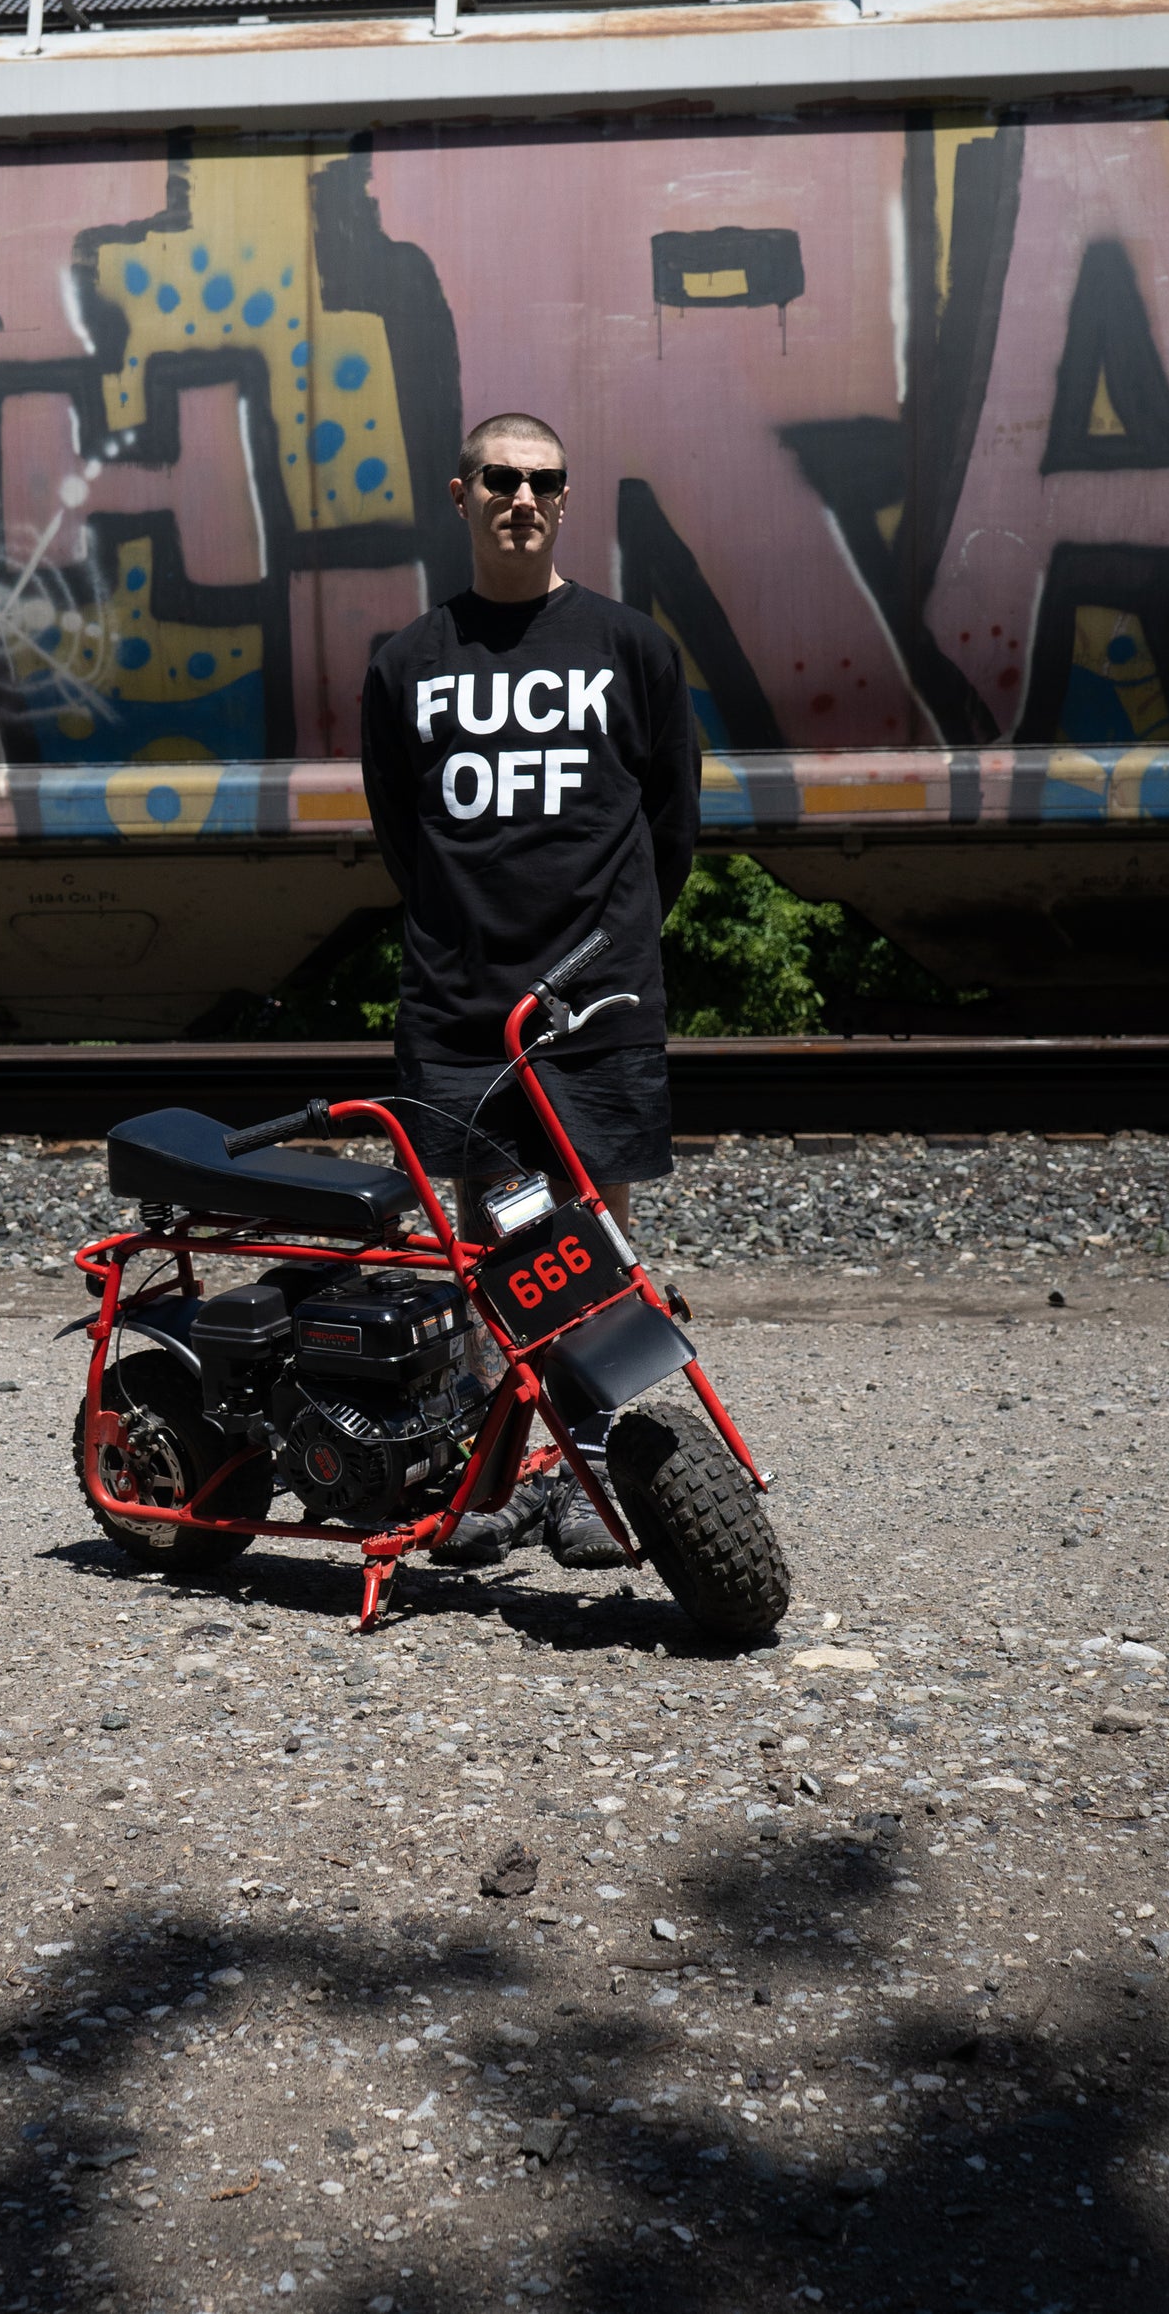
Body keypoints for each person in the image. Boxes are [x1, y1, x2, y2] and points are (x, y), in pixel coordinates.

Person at [360, 411, 700, 1566]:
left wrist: (602, 950)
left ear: (565, 498)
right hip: (460, 1007)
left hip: (592, 1003)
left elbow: (671, 828)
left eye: (544, 481)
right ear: (458, 495)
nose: (522, 497)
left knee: (593, 1238)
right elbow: (402, 835)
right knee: (484, 1244)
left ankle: (593, 1473)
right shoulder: (406, 660)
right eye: (499, 479)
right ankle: (498, 1476)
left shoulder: (628, 647)